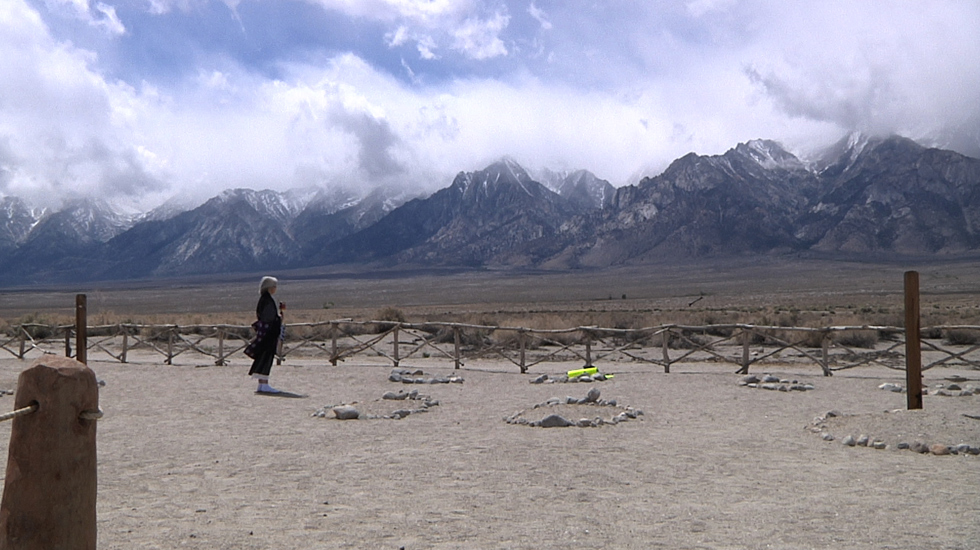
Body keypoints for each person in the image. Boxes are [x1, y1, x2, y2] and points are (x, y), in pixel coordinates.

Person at [247, 276, 284, 394]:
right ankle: (264, 383)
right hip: (269, 334)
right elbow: (269, 319)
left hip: (265, 333)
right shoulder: (267, 300)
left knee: (263, 357)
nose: (275, 289)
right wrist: (279, 318)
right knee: (266, 357)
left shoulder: (264, 299)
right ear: (269, 287)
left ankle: (262, 384)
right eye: (274, 286)